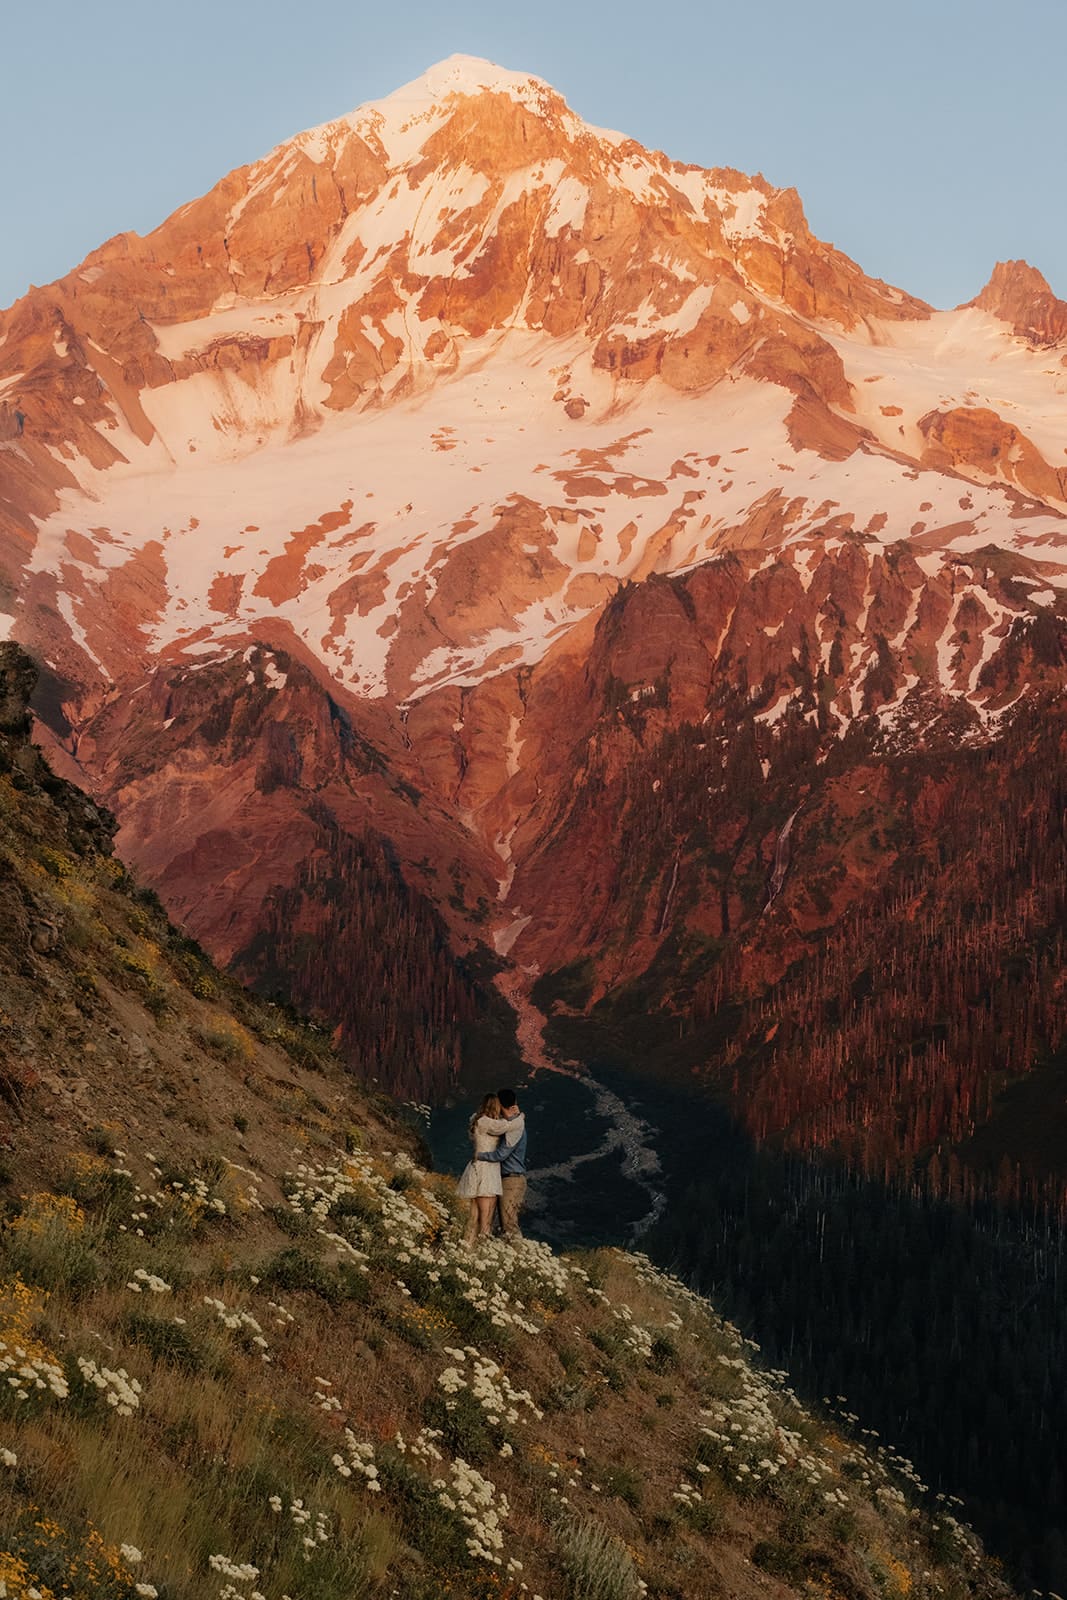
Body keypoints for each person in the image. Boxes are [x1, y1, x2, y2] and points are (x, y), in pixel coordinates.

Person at [456, 1093, 525, 1247]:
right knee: (486, 1219)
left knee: (474, 1216)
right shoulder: (488, 1123)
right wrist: (520, 1116)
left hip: (477, 1168)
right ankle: (481, 1250)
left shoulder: (477, 1120)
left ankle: (467, 1248)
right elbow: (507, 1126)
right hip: (487, 1171)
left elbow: (496, 1122)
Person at [476, 1087, 527, 1240]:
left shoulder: (515, 1128)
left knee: (509, 1223)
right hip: (503, 1179)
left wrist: (478, 1155)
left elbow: (501, 1154)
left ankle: (519, 1256)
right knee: (495, 1221)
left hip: (511, 1180)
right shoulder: (510, 1123)